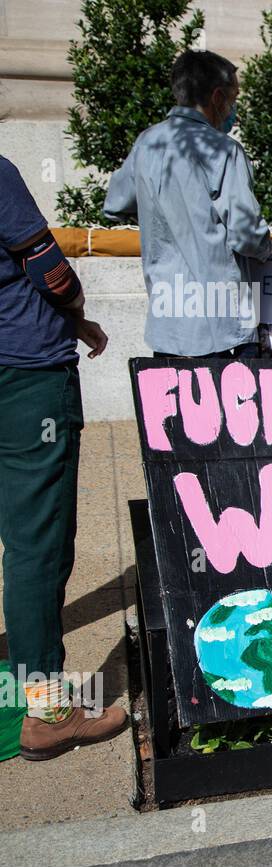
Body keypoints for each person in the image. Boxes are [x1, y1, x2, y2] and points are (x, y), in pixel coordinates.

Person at [0, 156, 124, 760]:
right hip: (23, 376)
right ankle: (48, 713)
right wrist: (75, 313)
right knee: (37, 544)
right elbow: (49, 268)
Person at [104, 50, 272, 357]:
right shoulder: (224, 150)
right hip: (223, 327)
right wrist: (269, 246)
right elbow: (247, 235)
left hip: (168, 321)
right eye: (233, 99)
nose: (232, 109)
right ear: (217, 97)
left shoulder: (147, 142)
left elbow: (116, 204)